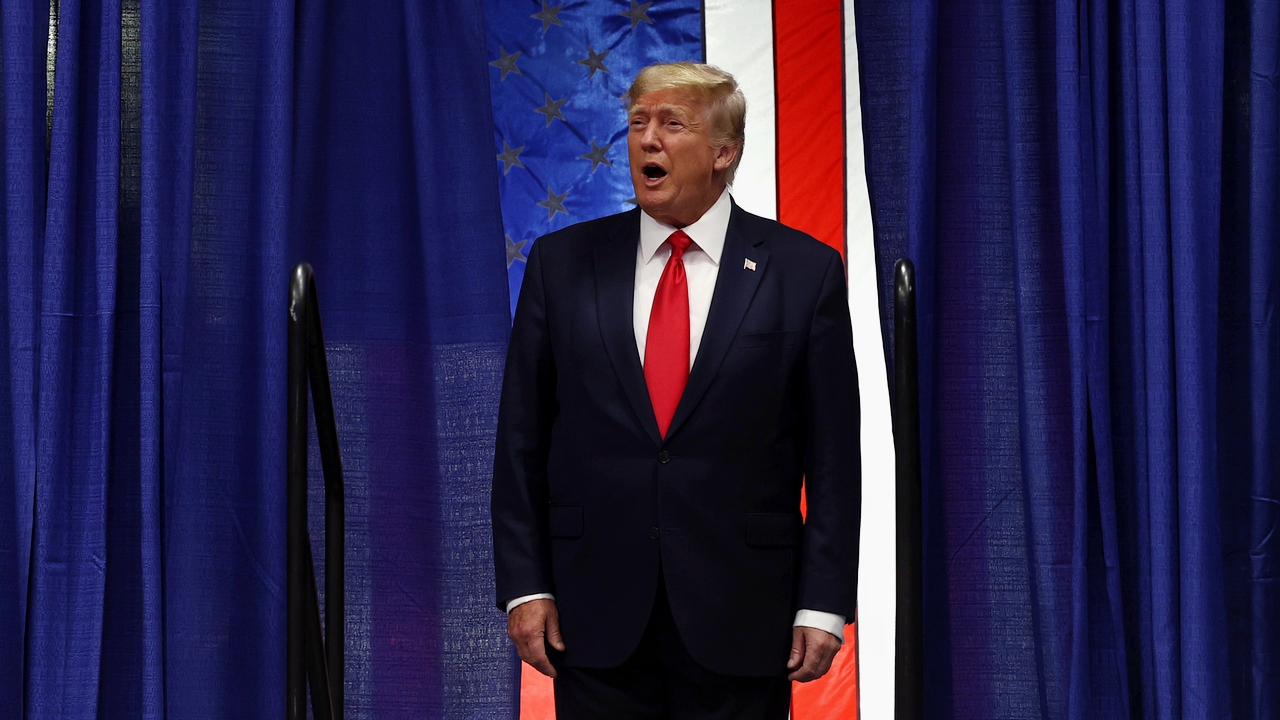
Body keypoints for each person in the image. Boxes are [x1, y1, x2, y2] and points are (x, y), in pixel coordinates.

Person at [491, 61, 861, 719]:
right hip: (594, 615)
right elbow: (521, 440)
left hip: (744, 617)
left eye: (671, 124)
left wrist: (824, 603)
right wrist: (525, 588)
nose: (647, 140)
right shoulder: (561, 264)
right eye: (638, 124)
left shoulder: (803, 272)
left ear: (724, 152)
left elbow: (834, 460)